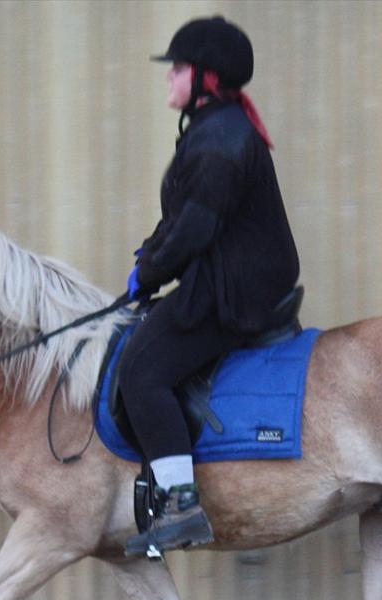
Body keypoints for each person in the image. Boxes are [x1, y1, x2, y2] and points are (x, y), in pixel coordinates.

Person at [119, 16, 300, 556]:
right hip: (232, 275)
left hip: (235, 289)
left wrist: (148, 274)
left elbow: (194, 230)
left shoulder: (219, 139)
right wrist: (149, 258)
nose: (169, 77)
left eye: (177, 68)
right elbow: (184, 220)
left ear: (207, 79)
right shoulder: (214, 130)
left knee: (141, 371)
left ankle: (181, 503)